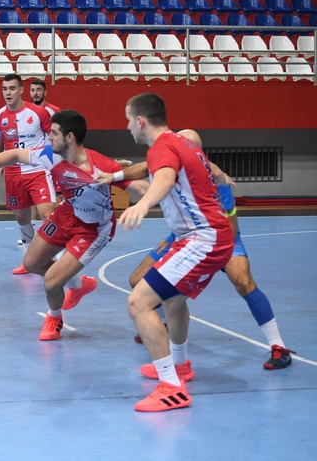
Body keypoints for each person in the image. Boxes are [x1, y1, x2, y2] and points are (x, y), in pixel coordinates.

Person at [98, 129, 295, 370]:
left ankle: (278, 346)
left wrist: (209, 259)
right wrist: (113, 176)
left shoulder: (212, 178)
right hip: (182, 236)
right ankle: (164, 325)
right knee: (137, 279)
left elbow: (230, 225)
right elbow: (143, 168)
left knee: (243, 282)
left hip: (222, 237)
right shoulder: (168, 162)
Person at [0, 110, 149, 340]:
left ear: (69, 137)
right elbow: (15, 154)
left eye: (54, 133)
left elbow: (140, 187)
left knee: (51, 282)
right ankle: (77, 285)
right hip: (66, 214)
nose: (49, 137)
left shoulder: (101, 166)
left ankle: (54, 317)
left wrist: (166, 191)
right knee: (31, 263)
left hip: (93, 230)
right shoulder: (50, 155)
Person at [118, 93, 234, 412]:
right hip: (208, 235)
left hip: (202, 239)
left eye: (128, 121)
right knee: (172, 299)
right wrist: (223, 178)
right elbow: (211, 172)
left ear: (141, 121)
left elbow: (166, 178)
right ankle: (180, 366)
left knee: (138, 303)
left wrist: (142, 204)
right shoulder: (183, 142)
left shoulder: (161, 148)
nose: (128, 127)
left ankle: (171, 387)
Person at [0, 74, 55, 274]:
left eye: (12, 88)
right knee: (21, 217)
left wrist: (53, 160)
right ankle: (29, 261)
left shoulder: (39, 113)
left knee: (47, 214)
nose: (8, 93)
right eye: (4, 89)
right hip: (14, 174)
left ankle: (59, 261)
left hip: (38, 170)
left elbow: (54, 137)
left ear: (21, 90)